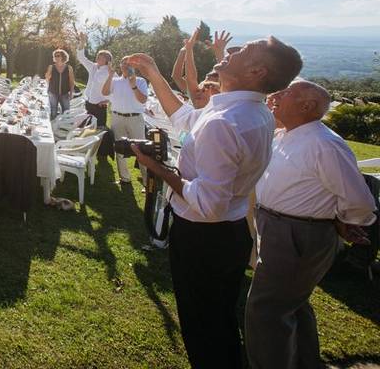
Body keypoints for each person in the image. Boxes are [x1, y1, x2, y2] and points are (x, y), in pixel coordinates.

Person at [124, 35, 303, 369]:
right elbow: (184, 119)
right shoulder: (251, 112)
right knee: (218, 323)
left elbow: (208, 204)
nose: (232, 51)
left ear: (256, 70)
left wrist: (159, 170)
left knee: (202, 328)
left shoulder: (225, 123)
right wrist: (153, 72)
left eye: (243, 50)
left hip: (203, 239)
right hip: (229, 234)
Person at [245, 80, 377, 369]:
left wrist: (343, 220)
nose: (275, 96)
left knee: (265, 311)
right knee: (292, 303)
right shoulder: (285, 134)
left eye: (284, 92)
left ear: (307, 106)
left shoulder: (324, 144)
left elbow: (360, 201)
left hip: (296, 233)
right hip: (278, 227)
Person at [102, 58, 149, 185]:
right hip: (117, 118)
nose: (126, 66)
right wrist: (110, 75)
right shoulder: (115, 81)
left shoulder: (140, 81)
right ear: (120, 66)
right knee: (119, 148)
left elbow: (143, 100)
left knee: (141, 149)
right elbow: (104, 92)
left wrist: (133, 85)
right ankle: (124, 178)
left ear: (134, 65)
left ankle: (146, 182)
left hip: (135, 118)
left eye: (129, 64)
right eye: (124, 63)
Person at [45, 48, 76, 118]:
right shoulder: (51, 67)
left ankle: (65, 126)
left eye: (58, 55)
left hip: (65, 93)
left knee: (66, 111)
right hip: (53, 92)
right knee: (53, 111)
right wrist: (48, 73)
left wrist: (71, 92)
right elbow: (47, 79)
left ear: (63, 56)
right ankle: (53, 126)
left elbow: (71, 81)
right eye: (55, 56)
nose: (56, 57)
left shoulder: (69, 68)